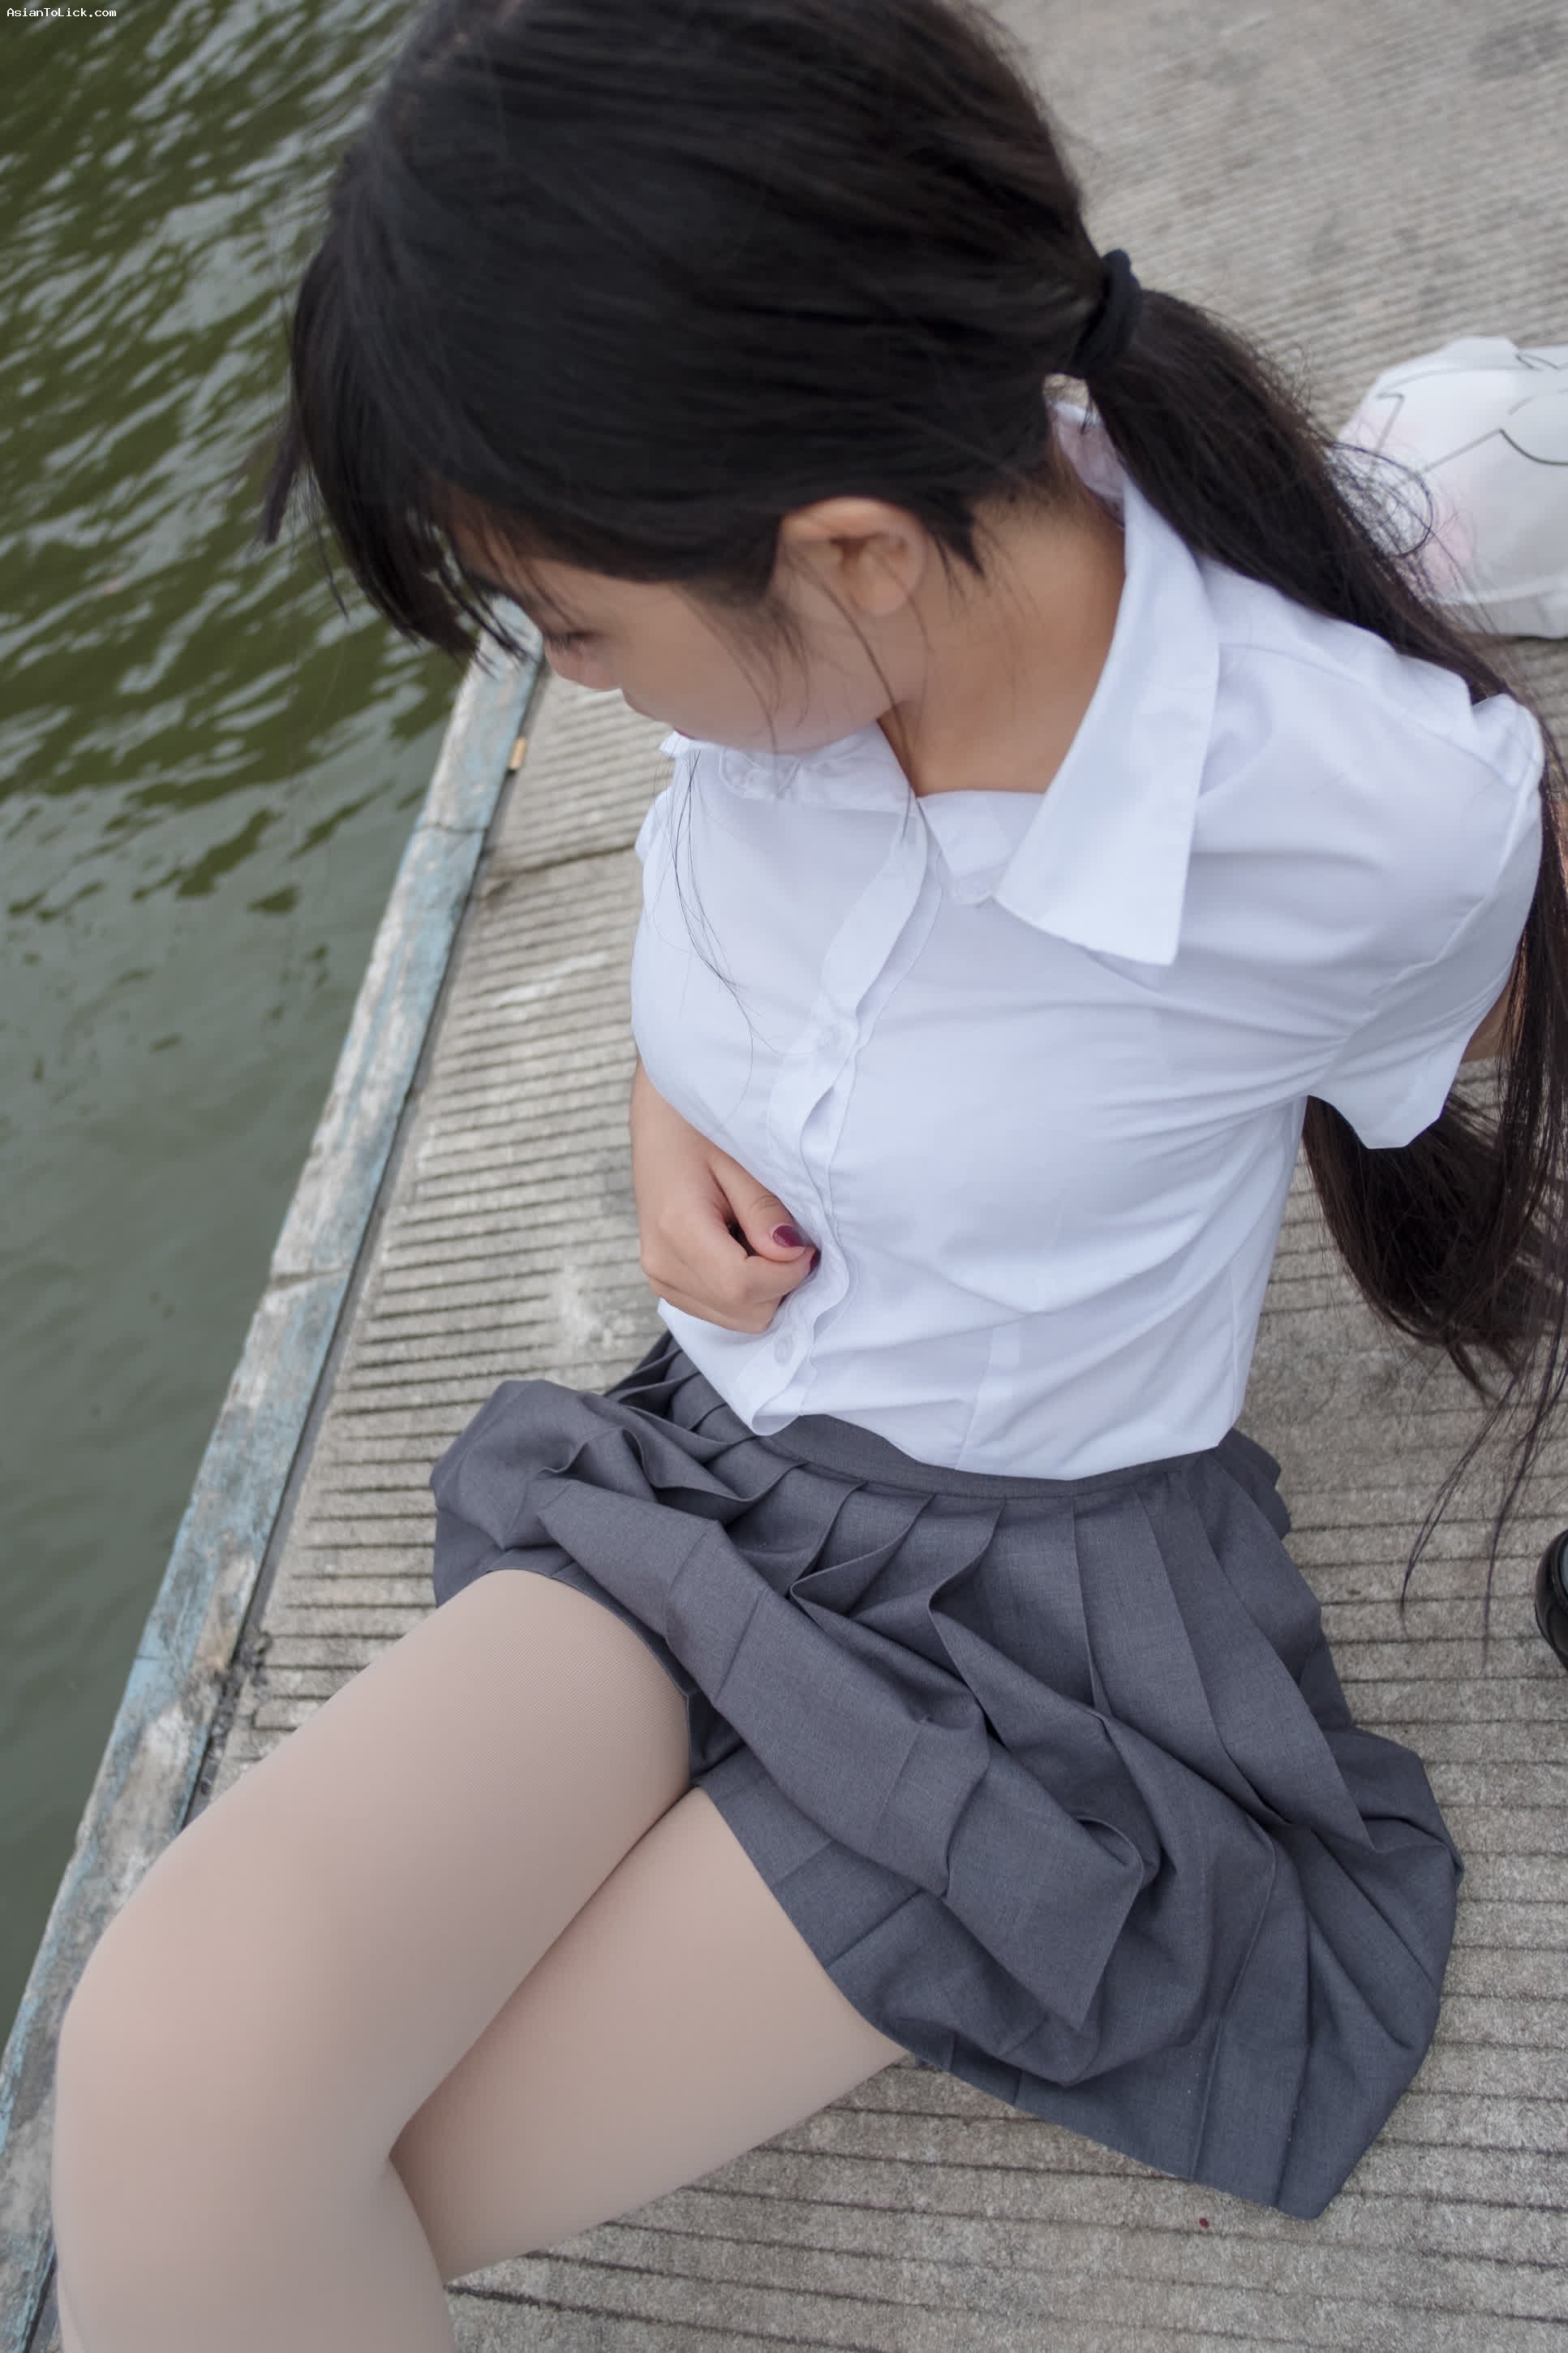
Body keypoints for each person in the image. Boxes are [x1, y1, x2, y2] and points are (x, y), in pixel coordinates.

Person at [49, 0, 1568, 2343]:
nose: (573, 679)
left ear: (848, 553)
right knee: (173, 2074)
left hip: (1033, 1641)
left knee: (347, 2202)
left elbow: (1515, 992)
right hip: (711, 1481)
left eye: (576, 626)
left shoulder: (1345, 808)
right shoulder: (803, 650)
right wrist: (672, 1122)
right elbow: (735, 926)